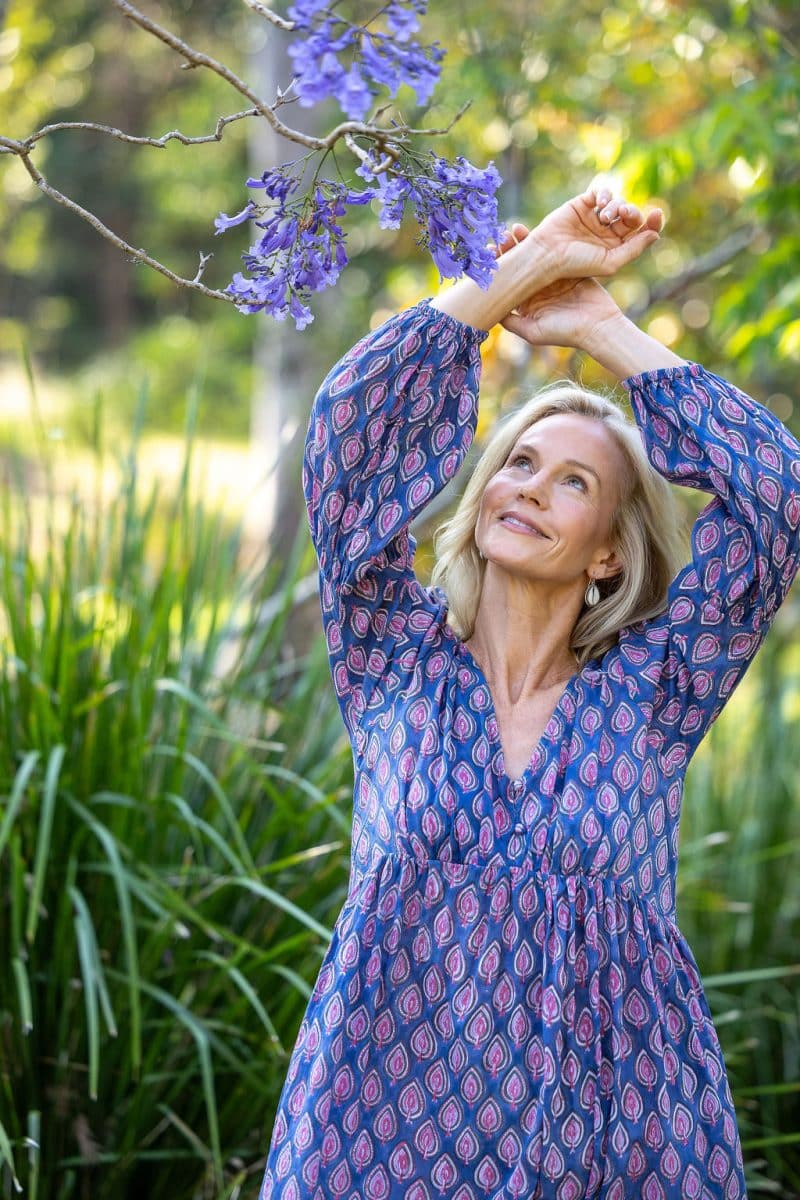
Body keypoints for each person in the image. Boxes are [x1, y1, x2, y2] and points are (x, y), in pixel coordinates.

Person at [259, 186, 800, 1199]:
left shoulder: (655, 693)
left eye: (570, 484)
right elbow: (346, 442)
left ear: (605, 556)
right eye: (516, 463)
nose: (525, 488)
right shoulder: (394, 660)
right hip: (372, 1138)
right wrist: (514, 271)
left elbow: (776, 495)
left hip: (615, 1136)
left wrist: (602, 328)